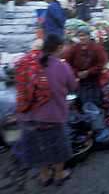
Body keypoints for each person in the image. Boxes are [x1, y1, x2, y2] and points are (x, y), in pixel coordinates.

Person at [17, 33, 78, 187]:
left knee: (39, 148)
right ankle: (59, 174)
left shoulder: (31, 62)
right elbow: (73, 87)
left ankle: (44, 176)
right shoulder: (62, 65)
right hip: (54, 116)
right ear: (59, 48)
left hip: (29, 116)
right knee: (58, 147)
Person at [63, 26, 108, 108]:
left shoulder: (96, 48)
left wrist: (89, 71)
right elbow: (66, 62)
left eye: (84, 35)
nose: (82, 38)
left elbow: (102, 63)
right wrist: (76, 72)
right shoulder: (74, 48)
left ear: (89, 36)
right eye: (80, 35)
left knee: (95, 104)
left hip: (93, 81)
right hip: (79, 81)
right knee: (81, 104)